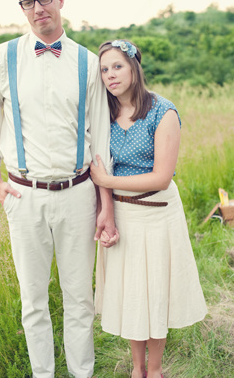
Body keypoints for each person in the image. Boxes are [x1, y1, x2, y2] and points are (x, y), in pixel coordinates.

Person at [0, 0, 118, 377]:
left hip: (78, 193)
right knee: (33, 299)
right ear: (21, 8)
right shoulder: (2, 57)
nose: (38, 8)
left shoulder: (89, 63)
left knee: (80, 298)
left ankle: (82, 373)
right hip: (24, 194)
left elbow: (100, 140)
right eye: (28, 2)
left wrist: (104, 204)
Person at [91, 39, 207, 378]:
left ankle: (154, 370)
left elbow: (161, 176)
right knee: (132, 293)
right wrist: (107, 211)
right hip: (123, 214)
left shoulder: (162, 110)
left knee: (155, 290)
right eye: (103, 70)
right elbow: (99, 165)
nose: (110, 75)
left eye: (117, 66)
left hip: (157, 212)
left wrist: (108, 182)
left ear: (133, 68)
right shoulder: (104, 115)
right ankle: (136, 368)